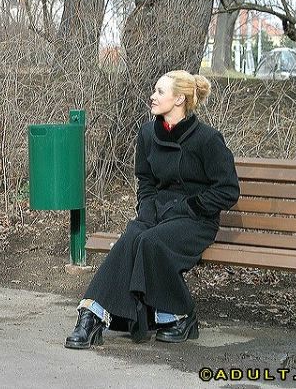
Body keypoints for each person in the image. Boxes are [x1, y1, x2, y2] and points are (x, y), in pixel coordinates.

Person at [65, 70, 240, 349]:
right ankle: (91, 315)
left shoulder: (207, 139)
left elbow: (228, 190)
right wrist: (146, 210)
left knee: (149, 241)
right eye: (154, 90)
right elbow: (145, 181)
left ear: (180, 98)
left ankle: (181, 314)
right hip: (157, 214)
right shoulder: (148, 133)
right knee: (133, 235)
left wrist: (191, 205)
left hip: (196, 219)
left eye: (160, 91)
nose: (153, 96)